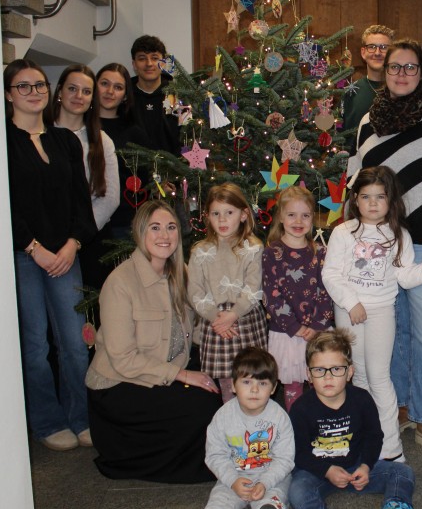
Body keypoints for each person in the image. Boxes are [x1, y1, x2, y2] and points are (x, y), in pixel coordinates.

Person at [348, 39, 422, 459]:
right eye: (395, 66)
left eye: (410, 67)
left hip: (420, 240)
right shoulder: (368, 120)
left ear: (421, 73)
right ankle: (396, 406)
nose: (401, 73)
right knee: (390, 330)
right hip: (379, 242)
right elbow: (358, 179)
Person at [85, 200, 222, 483]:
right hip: (118, 383)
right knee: (201, 405)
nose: (164, 236)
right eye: (155, 228)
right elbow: (123, 359)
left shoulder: (179, 273)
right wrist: (183, 375)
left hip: (165, 364)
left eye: (171, 227)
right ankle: (186, 466)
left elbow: (193, 328)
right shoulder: (120, 282)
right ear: (140, 233)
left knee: (219, 382)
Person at [4, 59, 97, 452]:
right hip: (26, 256)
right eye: (23, 86)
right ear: (9, 94)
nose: (34, 92)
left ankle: (80, 418)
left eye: (39, 85)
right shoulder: (0, 142)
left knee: (75, 343)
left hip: (66, 254)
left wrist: (73, 243)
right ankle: (46, 421)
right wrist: (34, 249)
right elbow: (7, 207)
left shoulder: (65, 141)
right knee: (34, 345)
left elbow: (81, 202)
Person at [289, 330, 422, 509]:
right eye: (319, 370)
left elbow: (373, 437)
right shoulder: (301, 408)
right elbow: (299, 453)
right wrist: (326, 470)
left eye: (336, 369)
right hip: (318, 472)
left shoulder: (362, 399)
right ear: (309, 375)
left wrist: (366, 466)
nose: (328, 377)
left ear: (350, 372)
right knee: (296, 488)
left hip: (356, 467)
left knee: (402, 472)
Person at [322, 166, 422, 461]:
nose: (372, 203)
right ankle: (364, 439)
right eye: (365, 196)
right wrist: (351, 303)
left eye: (380, 196)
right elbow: (331, 275)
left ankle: (390, 448)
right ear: (355, 201)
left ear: (391, 200)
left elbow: (404, 275)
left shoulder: (398, 234)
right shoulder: (343, 232)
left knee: (380, 377)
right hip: (349, 311)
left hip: (382, 310)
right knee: (358, 376)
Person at [153, 347, 294, 509]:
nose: (255, 389)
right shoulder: (223, 416)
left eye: (263, 383)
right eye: (247, 382)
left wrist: (265, 482)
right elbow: (215, 455)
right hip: (234, 476)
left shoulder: (279, 418)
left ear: (274, 388)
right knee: (218, 508)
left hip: (271, 478)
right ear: (234, 385)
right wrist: (231, 480)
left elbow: (285, 459)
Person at [189, 182, 269, 404]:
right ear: (208, 217)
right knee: (227, 382)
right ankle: (231, 423)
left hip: (244, 319)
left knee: (251, 375)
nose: (222, 220)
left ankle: (255, 420)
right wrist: (217, 318)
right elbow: (195, 291)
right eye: (216, 213)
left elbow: (254, 288)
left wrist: (233, 315)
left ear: (243, 215)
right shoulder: (200, 251)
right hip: (215, 322)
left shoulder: (253, 247)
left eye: (229, 213)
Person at [262, 186, 334, 411]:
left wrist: (316, 326)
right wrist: (295, 327)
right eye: (292, 214)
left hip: (318, 332)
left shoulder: (321, 253)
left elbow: (327, 290)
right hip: (286, 333)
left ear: (313, 218)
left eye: (305, 215)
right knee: (293, 385)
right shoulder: (272, 253)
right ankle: (297, 425)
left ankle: (321, 421)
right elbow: (271, 295)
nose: (298, 220)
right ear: (281, 217)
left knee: (322, 381)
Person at [52, 64, 119, 290]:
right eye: (72, 88)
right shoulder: (41, 136)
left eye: (86, 91)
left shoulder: (102, 140)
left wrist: (77, 236)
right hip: (51, 240)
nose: (79, 96)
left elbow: (110, 198)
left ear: (92, 99)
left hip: (93, 237)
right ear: (59, 92)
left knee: (96, 314)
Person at [95, 62, 150, 238]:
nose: (110, 91)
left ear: (125, 95)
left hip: (124, 223)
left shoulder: (135, 133)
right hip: (86, 221)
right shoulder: (80, 126)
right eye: (104, 84)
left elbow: (146, 179)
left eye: (118, 87)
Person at [341, 25, 395, 142]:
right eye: (372, 47)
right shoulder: (350, 92)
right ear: (363, 52)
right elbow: (340, 137)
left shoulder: (402, 91)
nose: (377, 52)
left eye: (384, 47)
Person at [130, 35, 181, 155]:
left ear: (163, 63)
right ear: (134, 64)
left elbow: (188, 136)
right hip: (131, 171)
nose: (149, 64)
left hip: (172, 170)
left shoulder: (178, 96)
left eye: (154, 58)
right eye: (142, 58)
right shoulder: (124, 96)